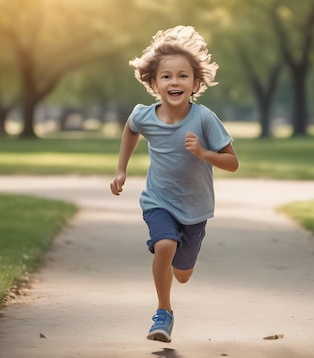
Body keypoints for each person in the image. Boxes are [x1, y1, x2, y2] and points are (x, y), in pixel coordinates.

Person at [110, 25, 239, 343]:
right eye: (166, 76)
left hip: (195, 209)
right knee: (165, 245)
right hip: (158, 201)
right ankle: (163, 311)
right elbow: (130, 129)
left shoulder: (204, 119)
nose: (174, 81)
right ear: (153, 83)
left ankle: (178, 276)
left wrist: (204, 152)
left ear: (196, 83)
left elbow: (232, 163)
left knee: (183, 273)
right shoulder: (145, 115)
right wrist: (121, 170)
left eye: (183, 76)